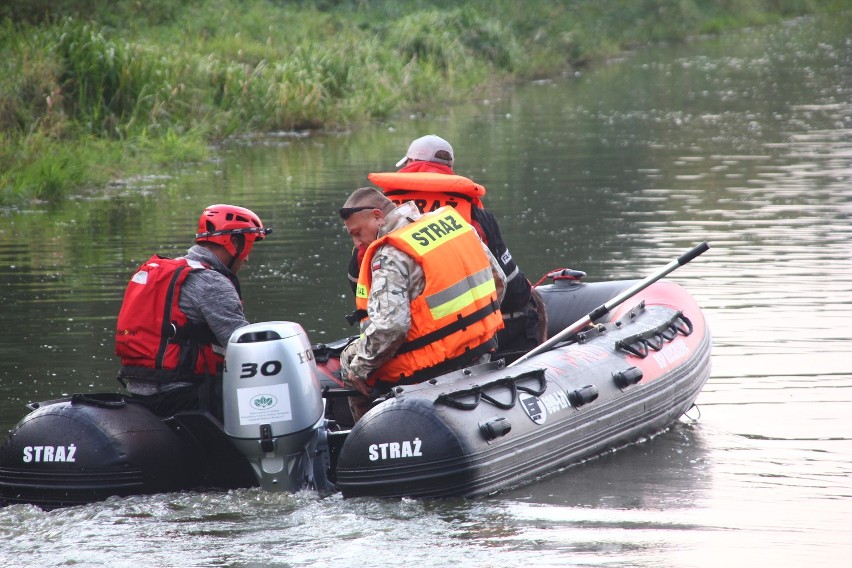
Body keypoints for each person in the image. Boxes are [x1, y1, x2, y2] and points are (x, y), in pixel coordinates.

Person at [347, 134, 546, 357]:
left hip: (408, 345)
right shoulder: (473, 215)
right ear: (449, 168)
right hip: (474, 338)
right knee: (525, 308)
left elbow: (359, 287)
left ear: (410, 164)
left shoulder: (380, 217)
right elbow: (512, 290)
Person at [339, 187, 506, 420]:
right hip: (479, 351)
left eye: (357, 232)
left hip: (429, 364)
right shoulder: (456, 225)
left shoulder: (390, 254)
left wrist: (359, 368)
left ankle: (368, 435)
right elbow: (499, 282)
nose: (357, 243)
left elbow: (391, 327)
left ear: (378, 216)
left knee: (349, 358)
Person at [115, 204, 271, 418]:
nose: (246, 259)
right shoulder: (210, 282)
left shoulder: (167, 271)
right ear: (234, 242)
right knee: (270, 400)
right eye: (249, 248)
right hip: (179, 394)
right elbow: (244, 347)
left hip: (140, 389)